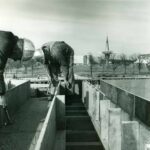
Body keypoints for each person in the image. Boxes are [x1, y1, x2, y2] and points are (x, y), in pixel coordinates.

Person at [0, 30, 35, 126]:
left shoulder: (7, 40)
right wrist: (2, 94)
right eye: (19, 57)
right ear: (18, 49)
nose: (15, 59)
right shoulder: (5, 43)